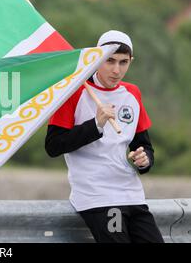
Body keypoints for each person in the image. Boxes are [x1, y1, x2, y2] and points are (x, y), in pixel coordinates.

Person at [44, 30, 164, 243]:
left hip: (132, 195)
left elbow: (144, 146)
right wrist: (95, 125)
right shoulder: (75, 91)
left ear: (131, 61)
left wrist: (144, 160)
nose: (116, 70)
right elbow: (53, 146)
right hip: (98, 197)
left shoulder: (132, 93)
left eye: (123, 62)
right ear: (98, 58)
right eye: (110, 61)